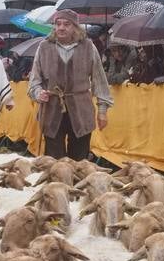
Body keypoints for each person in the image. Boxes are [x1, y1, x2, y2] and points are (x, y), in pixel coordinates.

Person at [28, 9, 112, 160]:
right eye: (58, 24)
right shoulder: (44, 47)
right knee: (54, 160)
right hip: (52, 109)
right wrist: (38, 93)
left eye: (66, 24)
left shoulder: (88, 47)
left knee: (79, 159)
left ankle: (76, 183)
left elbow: (99, 80)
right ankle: (57, 183)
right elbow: (34, 79)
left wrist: (102, 111)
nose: (61, 27)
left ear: (75, 27)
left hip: (81, 109)